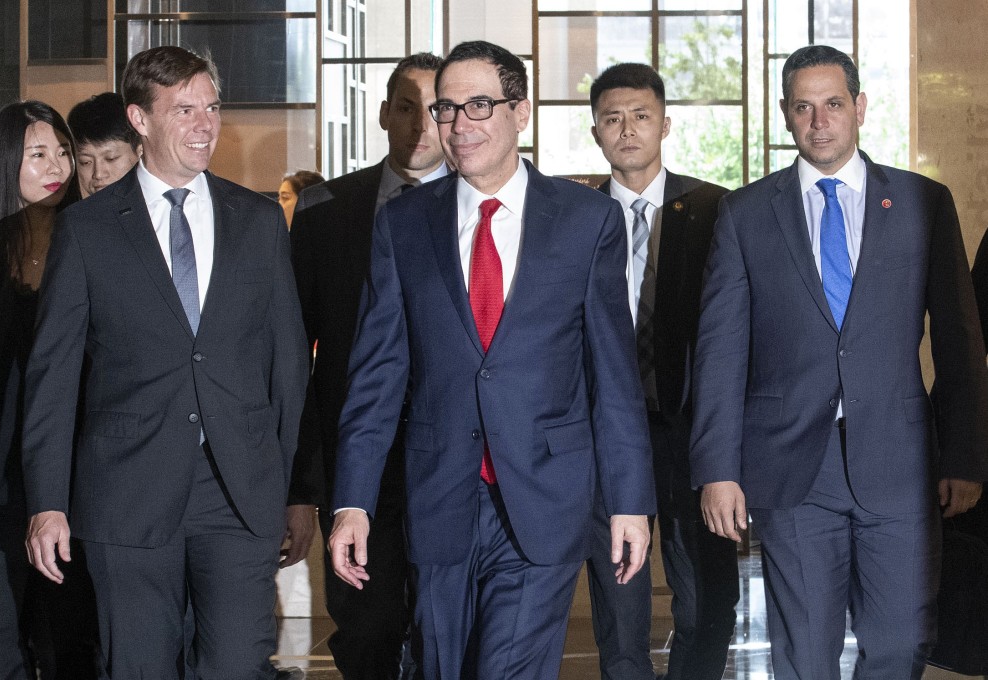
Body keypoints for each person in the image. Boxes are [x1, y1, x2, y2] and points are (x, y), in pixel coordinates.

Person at [328, 40, 655, 679]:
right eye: (447, 109)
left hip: (544, 497)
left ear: (521, 111)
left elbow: (612, 375)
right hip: (439, 494)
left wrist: (629, 500)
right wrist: (352, 502)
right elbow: (377, 376)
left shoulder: (587, 221)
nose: (458, 125)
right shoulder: (403, 225)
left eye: (480, 105)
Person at [690, 44, 988, 679]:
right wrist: (717, 468)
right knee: (806, 654)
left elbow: (961, 345)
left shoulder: (922, 204)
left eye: (832, 104)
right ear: (785, 115)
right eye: (803, 107)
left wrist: (965, 456)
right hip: (792, 466)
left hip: (901, 463)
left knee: (901, 642)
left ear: (859, 108)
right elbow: (720, 351)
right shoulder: (745, 214)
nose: (819, 120)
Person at [21, 46, 309, 680]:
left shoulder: (257, 220)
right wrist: (46, 502)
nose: (205, 124)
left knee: (236, 665)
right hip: (126, 492)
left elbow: (288, 365)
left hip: (239, 491)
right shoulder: (89, 229)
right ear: (140, 120)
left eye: (211, 107)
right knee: (138, 666)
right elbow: (55, 376)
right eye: (184, 109)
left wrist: (297, 490)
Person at [288, 51, 447, 680]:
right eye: (406, 108)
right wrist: (301, 486)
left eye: (436, 110)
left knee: (448, 628)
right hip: (356, 464)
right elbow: (292, 354)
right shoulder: (327, 211)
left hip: (456, 459)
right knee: (366, 629)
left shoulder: (484, 206)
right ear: (383, 114)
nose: (421, 127)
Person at [587, 62, 739, 680]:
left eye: (641, 115)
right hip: (602, 437)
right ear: (595, 129)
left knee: (708, 600)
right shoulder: (573, 216)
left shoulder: (716, 210)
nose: (628, 129)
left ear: (665, 124)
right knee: (620, 613)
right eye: (613, 118)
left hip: (692, 435)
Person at [0, 100, 80, 679]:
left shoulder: (86, 246)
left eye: (62, 151)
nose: (55, 165)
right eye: (39, 154)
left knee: (64, 648)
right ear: (8, 162)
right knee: (0, 647)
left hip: (68, 489)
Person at [67, 92, 141, 198]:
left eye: (110, 159)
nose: (98, 174)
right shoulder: (71, 213)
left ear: (140, 152)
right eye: (85, 162)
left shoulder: (165, 207)